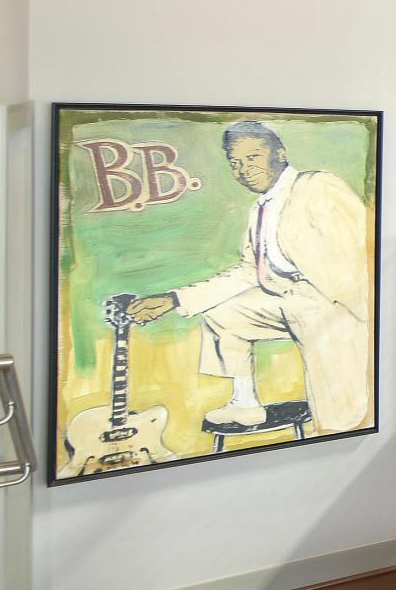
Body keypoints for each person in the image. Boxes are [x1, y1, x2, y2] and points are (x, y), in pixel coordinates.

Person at [129, 121, 373, 433]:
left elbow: (363, 249)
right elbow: (248, 272)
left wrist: (362, 310)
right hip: (287, 298)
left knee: (340, 416)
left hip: (332, 303)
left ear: (280, 153)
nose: (243, 169)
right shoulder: (259, 209)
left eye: (252, 158)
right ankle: (245, 404)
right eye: (235, 163)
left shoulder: (318, 185)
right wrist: (174, 299)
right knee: (222, 313)